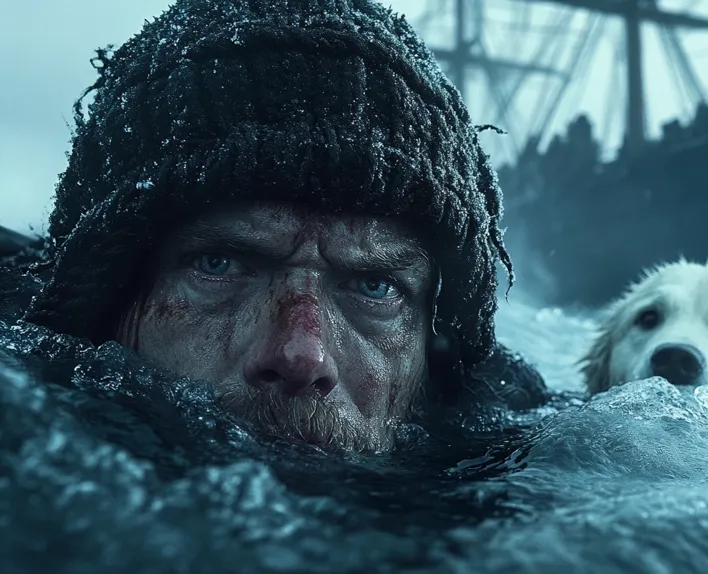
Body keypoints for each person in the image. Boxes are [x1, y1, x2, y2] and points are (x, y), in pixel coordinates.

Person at [12, 0, 550, 453]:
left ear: (434, 352)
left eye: (375, 286)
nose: (301, 356)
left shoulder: (532, 468)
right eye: (219, 263)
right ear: (105, 302)